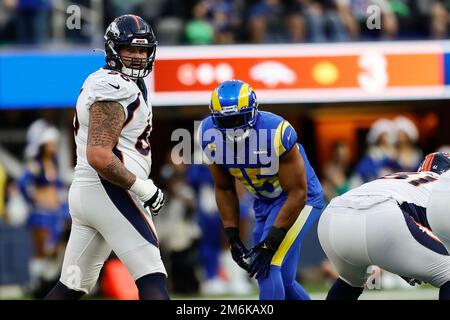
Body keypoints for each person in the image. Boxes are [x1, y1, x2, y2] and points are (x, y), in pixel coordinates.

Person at [44, 14, 168, 300]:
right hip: (111, 190)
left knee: (70, 287)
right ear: (113, 50)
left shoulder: (116, 81)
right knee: (152, 277)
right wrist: (143, 188)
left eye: (143, 50)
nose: (138, 57)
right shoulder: (114, 87)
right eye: (130, 49)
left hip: (89, 193)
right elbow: (100, 155)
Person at [197, 79, 324, 300]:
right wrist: (231, 233)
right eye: (226, 121)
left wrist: (272, 240)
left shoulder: (276, 131)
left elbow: (297, 193)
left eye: (239, 118)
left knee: (265, 264)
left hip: (300, 199)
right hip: (264, 202)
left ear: (253, 112)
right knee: (284, 281)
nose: (233, 127)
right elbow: (224, 187)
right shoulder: (208, 133)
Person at [318, 152, 450, 300]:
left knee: (349, 283)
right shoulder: (442, 187)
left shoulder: (401, 177)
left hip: (332, 217)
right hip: (383, 217)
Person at [18, 120, 70, 298]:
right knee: (41, 251)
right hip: (40, 214)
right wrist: (36, 199)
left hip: (55, 214)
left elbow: (59, 188)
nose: (53, 146)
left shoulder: (53, 164)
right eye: (50, 143)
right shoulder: (36, 165)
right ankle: (36, 286)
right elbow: (23, 183)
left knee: (55, 250)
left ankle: (48, 284)